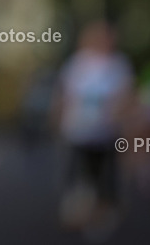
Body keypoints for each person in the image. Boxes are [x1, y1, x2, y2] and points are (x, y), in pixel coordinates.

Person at [54, 21, 133, 235]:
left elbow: (125, 96)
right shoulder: (77, 63)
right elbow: (65, 95)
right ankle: (79, 213)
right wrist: (58, 120)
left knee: (104, 176)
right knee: (78, 176)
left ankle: (102, 214)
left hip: (105, 132)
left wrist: (122, 120)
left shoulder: (118, 64)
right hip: (78, 130)